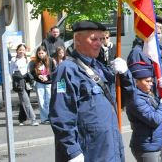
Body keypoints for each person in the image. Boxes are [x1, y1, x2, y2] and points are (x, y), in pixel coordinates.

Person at [49, 20, 132, 162]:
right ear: (78, 40)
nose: (99, 43)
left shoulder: (100, 67)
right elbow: (61, 115)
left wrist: (125, 75)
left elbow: (124, 100)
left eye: (101, 39)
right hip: (89, 152)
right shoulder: (67, 70)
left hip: (109, 149)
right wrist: (73, 151)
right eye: (94, 39)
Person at [126, 62, 162, 162]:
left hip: (155, 143)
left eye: (151, 81)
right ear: (136, 81)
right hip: (146, 147)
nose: (151, 84)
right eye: (147, 81)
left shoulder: (146, 94)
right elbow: (154, 119)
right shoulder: (136, 99)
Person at [10, 44, 38, 126]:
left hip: (27, 82)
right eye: (20, 50)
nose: (21, 51)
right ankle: (33, 119)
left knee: (23, 100)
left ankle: (21, 119)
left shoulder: (27, 59)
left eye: (23, 50)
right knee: (26, 101)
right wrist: (13, 81)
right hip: (19, 82)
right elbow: (11, 71)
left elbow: (30, 70)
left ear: (25, 51)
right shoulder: (13, 59)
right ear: (17, 50)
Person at [29, 45, 54, 123]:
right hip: (40, 83)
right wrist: (38, 76)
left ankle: (50, 117)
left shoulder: (50, 60)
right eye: (39, 53)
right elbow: (32, 72)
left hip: (49, 83)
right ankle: (44, 118)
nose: (41, 55)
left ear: (46, 53)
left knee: (49, 100)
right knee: (41, 100)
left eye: (42, 53)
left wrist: (48, 77)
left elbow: (54, 71)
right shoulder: (34, 62)